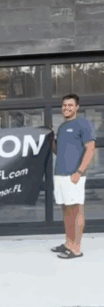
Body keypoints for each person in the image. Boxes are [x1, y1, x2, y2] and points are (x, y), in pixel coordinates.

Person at [51, 94, 95, 259]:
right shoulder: (62, 127)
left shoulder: (83, 124)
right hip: (60, 175)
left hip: (74, 175)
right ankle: (68, 243)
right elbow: (60, 151)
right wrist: (50, 141)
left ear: (77, 107)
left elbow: (90, 149)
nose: (66, 108)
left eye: (70, 105)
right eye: (64, 105)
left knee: (76, 210)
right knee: (66, 210)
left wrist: (79, 172)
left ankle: (76, 249)